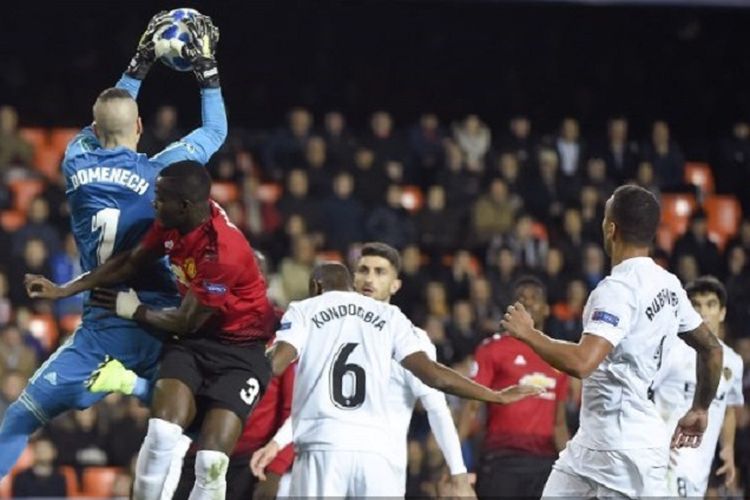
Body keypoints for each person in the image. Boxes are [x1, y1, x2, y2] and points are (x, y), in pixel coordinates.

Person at [0, 12, 227, 479]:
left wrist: (139, 64)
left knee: (17, 422)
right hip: (163, 323)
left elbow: (109, 114)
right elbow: (214, 133)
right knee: (207, 422)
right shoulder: (161, 177)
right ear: (140, 126)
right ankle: (140, 389)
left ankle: (129, 383)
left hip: (100, 325)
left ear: (95, 130)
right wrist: (207, 74)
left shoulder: (75, 159)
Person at [26, 161, 275, 500]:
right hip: (192, 344)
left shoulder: (223, 253)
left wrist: (133, 310)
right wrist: (65, 289)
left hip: (240, 352)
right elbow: (131, 261)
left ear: (184, 206)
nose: (153, 203)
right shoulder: (174, 224)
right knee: (160, 431)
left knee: (211, 461)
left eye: (160, 198)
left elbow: (187, 319)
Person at [500, 184, 724, 498]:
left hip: (624, 452)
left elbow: (582, 362)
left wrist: (529, 334)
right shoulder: (668, 284)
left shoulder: (616, 290)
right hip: (590, 445)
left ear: (611, 228)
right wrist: (701, 408)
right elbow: (712, 348)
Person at [263, 262, 541, 497]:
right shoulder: (390, 316)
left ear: (317, 288)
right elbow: (436, 376)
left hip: (322, 444)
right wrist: (496, 395)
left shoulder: (304, 309)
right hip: (376, 455)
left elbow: (276, 363)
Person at [254, 242, 474, 496]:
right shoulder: (333, 328)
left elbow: (438, 410)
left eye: (380, 272)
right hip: (337, 454)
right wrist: (278, 442)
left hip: (383, 469)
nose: (369, 278)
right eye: (363, 270)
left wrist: (459, 472)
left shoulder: (410, 337)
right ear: (352, 278)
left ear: (396, 285)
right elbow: (320, 402)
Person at [459, 276, 569, 499]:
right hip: (501, 461)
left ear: (546, 309)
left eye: (534, 298)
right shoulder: (493, 348)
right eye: (521, 298)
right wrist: (453, 464)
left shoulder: (559, 358)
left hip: (544, 465)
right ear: (512, 309)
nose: (528, 302)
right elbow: (470, 407)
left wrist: (572, 467)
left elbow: (559, 424)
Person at [653, 276, 744, 498]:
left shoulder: (733, 362)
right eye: (696, 305)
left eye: (711, 304)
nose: (703, 311)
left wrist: (728, 448)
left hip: (699, 471)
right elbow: (643, 395)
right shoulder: (671, 350)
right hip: (663, 464)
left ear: (722, 313)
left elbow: (729, 407)